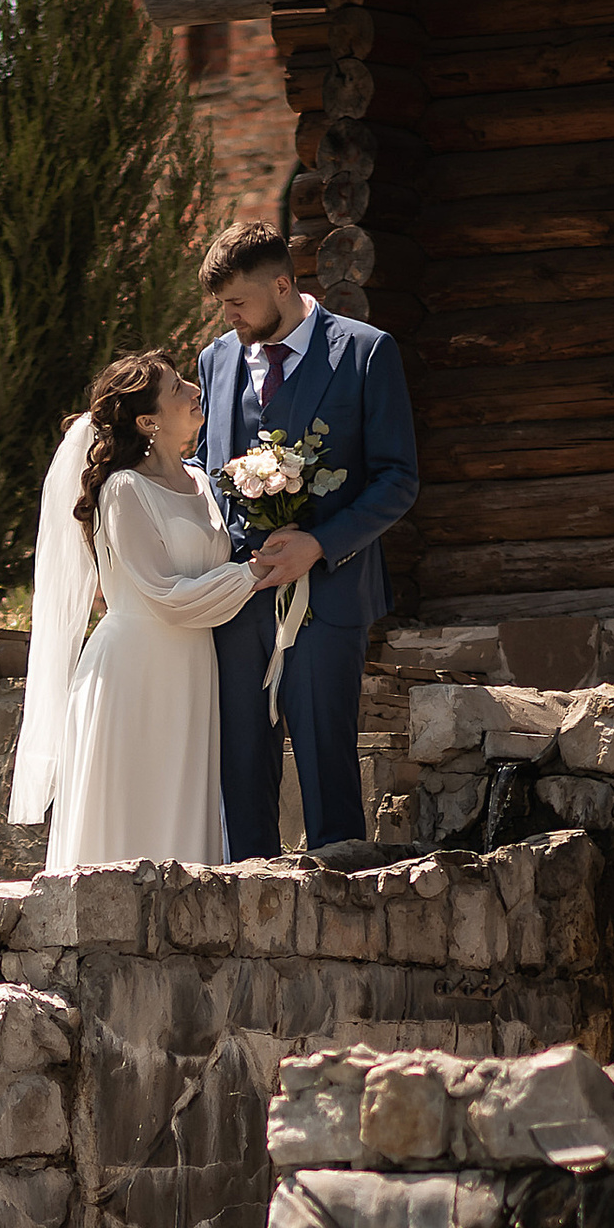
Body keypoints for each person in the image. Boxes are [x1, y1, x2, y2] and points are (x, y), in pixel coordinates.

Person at [197, 218, 420, 860]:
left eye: (239, 303)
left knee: (327, 767)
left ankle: (342, 925)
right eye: (224, 307)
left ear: (283, 283)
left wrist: (319, 545)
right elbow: (212, 474)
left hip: (331, 598)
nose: (231, 318)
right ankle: (244, 912)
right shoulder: (217, 361)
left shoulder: (366, 352)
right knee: (239, 770)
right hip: (236, 604)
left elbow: (398, 480)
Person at [10, 348, 261, 872]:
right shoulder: (123, 489)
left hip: (192, 669)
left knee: (181, 809)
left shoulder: (204, 482)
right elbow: (165, 596)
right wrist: (255, 575)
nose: (196, 391)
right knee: (128, 814)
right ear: (149, 421)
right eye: (178, 390)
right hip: (132, 670)